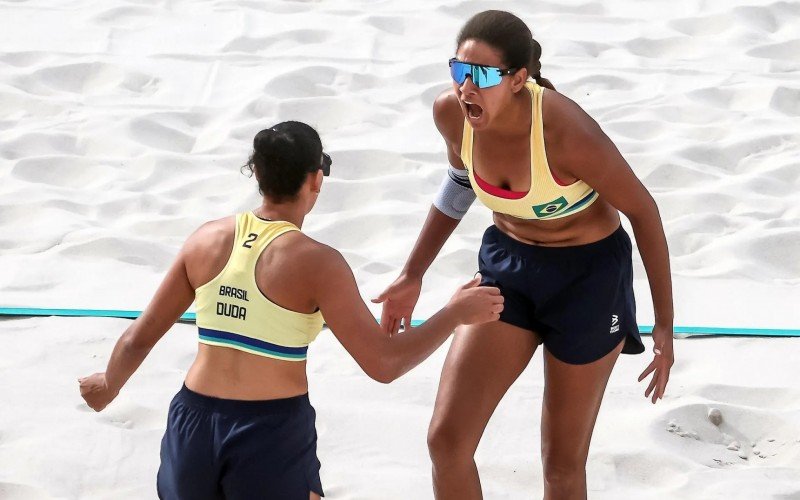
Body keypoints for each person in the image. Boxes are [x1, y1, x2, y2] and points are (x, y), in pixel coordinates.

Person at [78, 120, 504, 500]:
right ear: (315, 181)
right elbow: (383, 364)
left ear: (258, 175)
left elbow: (140, 334)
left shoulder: (204, 239)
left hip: (192, 422)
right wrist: (453, 314)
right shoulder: (317, 262)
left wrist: (108, 383)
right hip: (266, 431)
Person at [373, 10, 674, 499]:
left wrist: (664, 325)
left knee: (560, 465)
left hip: (589, 278)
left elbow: (644, 211)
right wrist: (413, 273)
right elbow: (459, 183)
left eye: (483, 76)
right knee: (446, 443)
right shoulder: (451, 113)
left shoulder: (562, 127)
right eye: (459, 70)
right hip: (509, 267)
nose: (466, 87)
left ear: (517, 79)